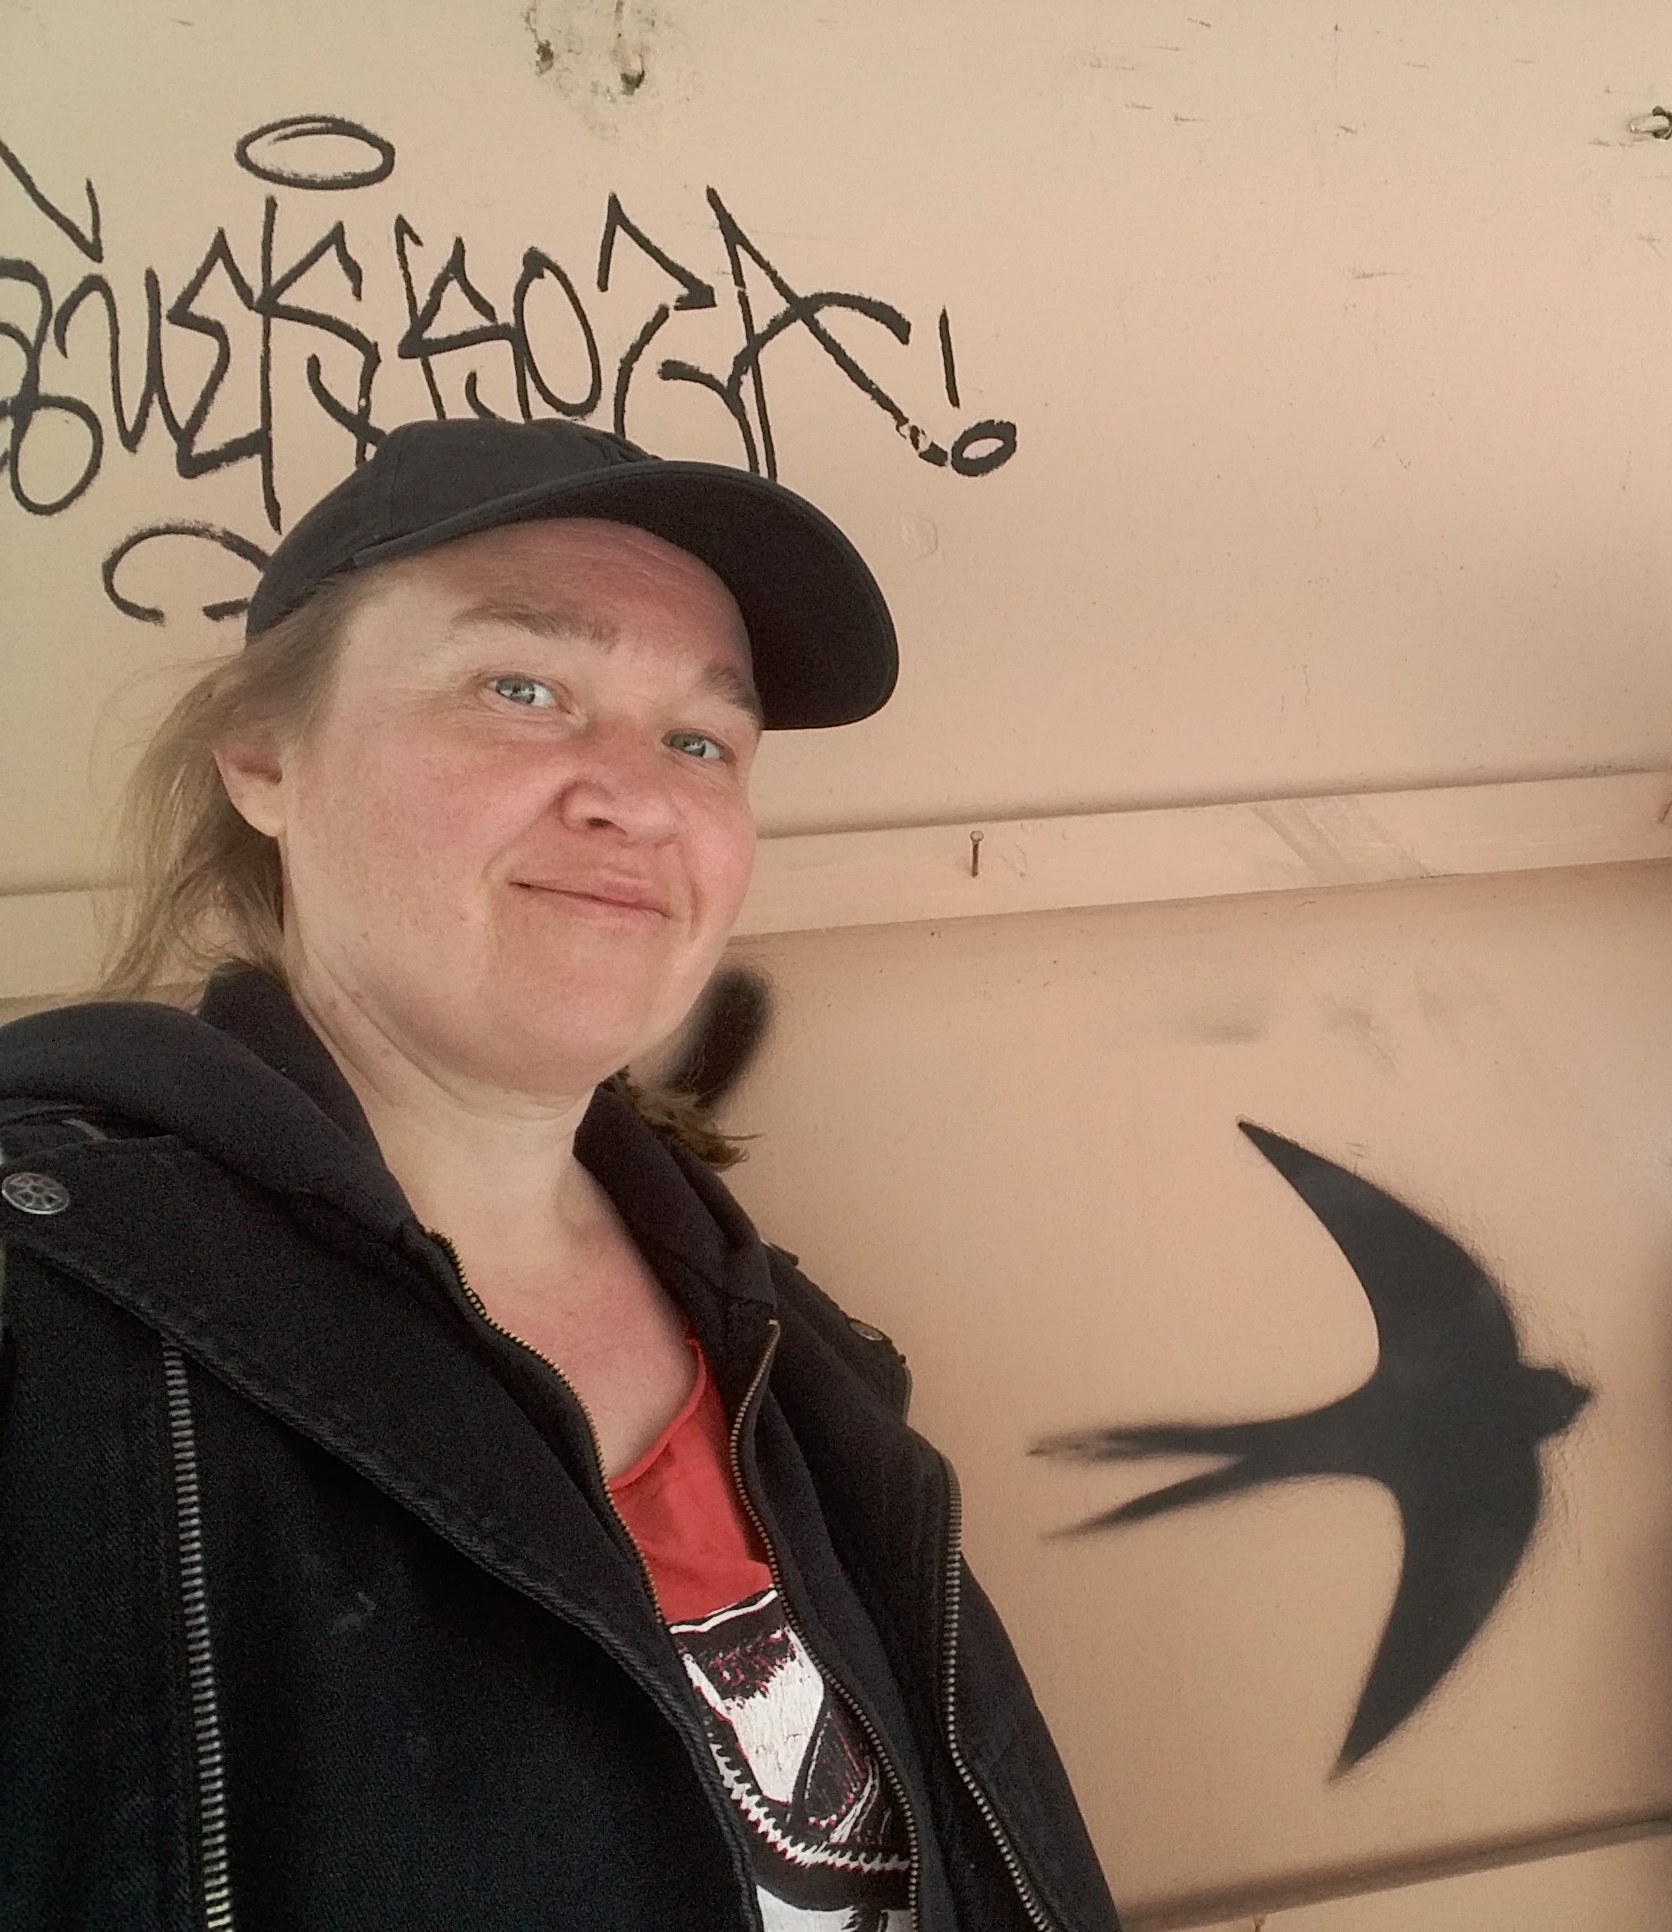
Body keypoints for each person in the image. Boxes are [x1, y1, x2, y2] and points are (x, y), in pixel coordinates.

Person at [0, 418, 1120, 1932]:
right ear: (264, 753)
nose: (638, 798)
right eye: (519, 690)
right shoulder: (50, 1326)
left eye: (701, 741)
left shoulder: (799, 1358)